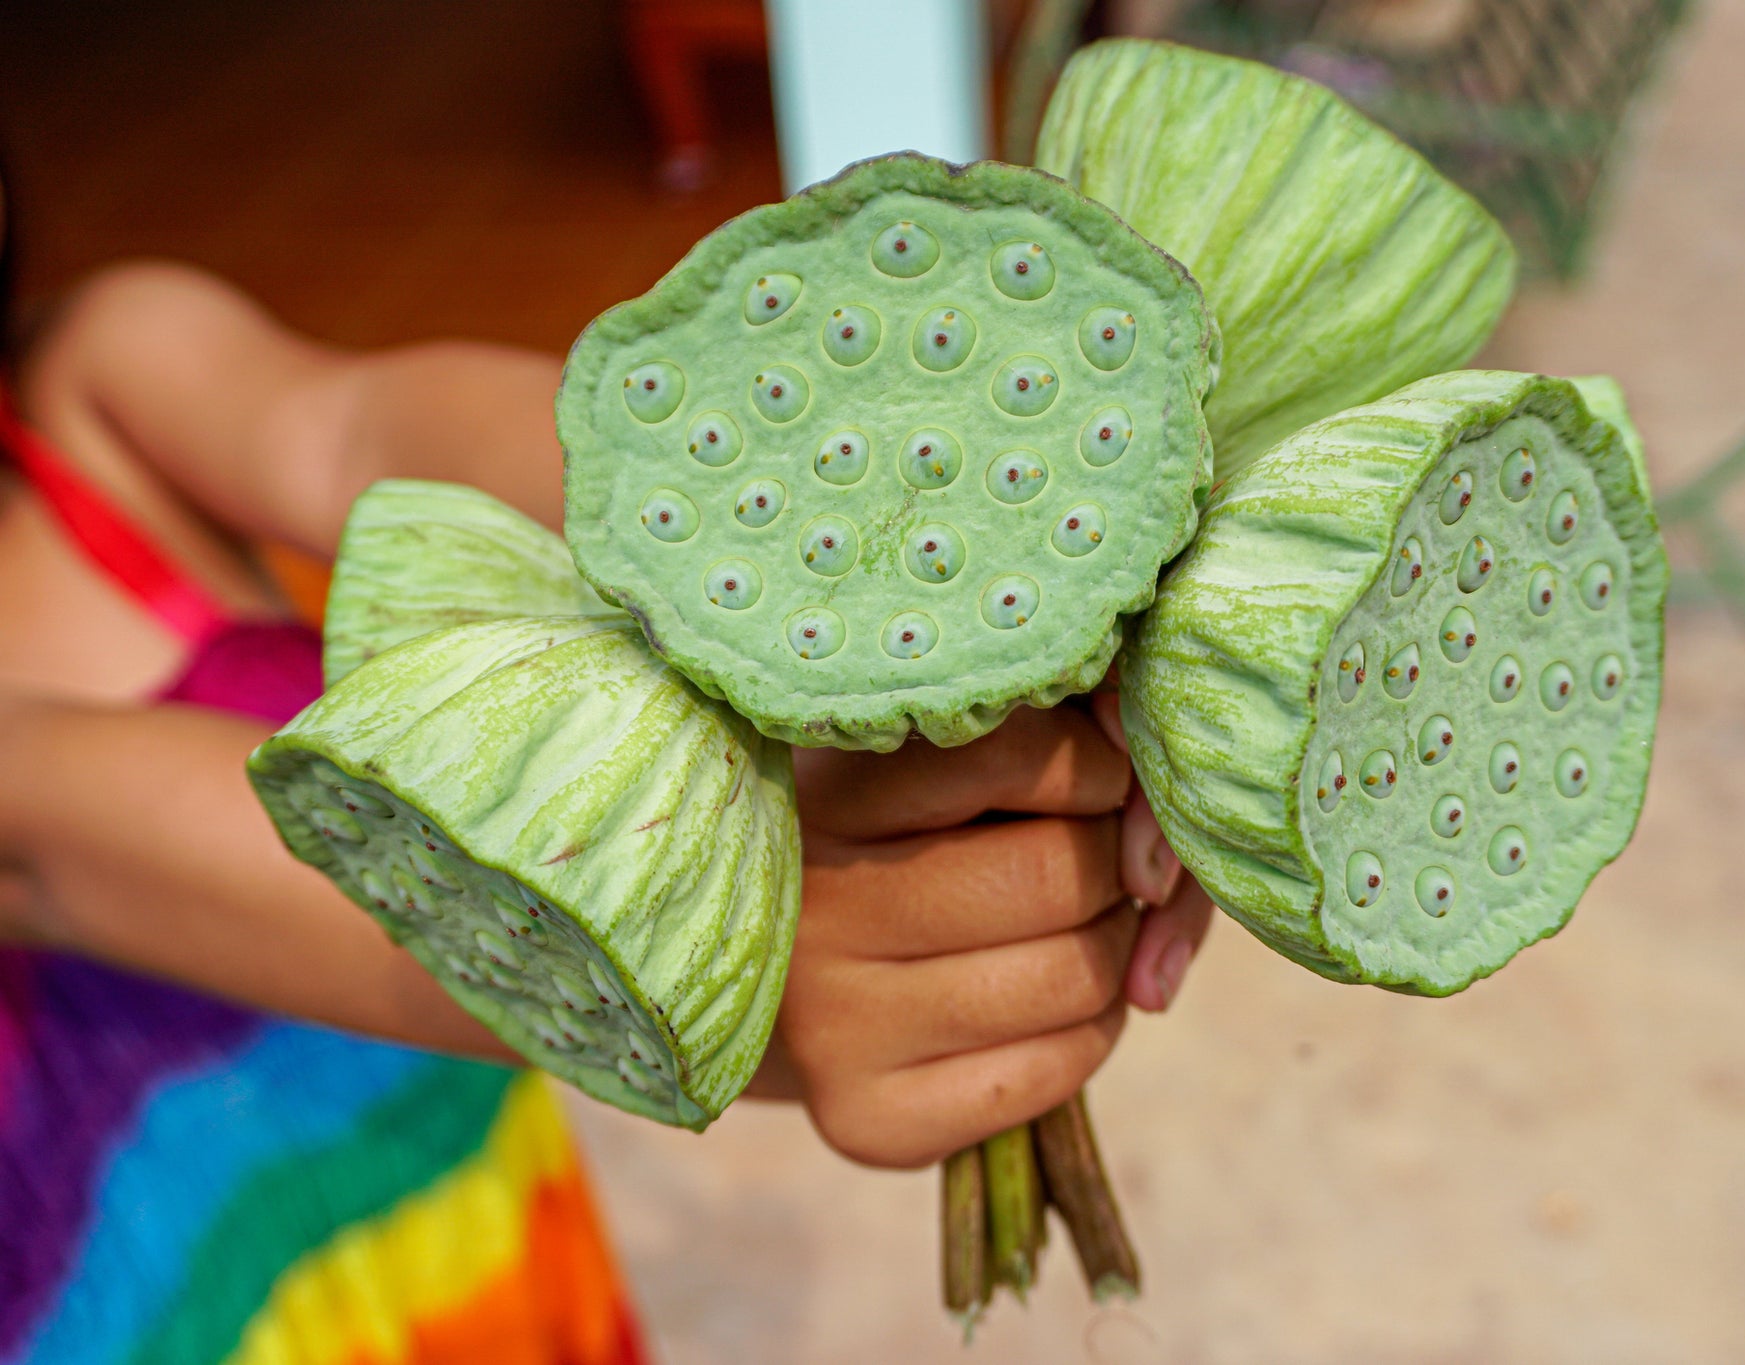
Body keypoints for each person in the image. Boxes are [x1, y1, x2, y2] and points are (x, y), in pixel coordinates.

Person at [0, 235, 1212, 1359]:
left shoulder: (97, 379)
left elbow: (361, 435)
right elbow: (55, 840)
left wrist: (765, 524)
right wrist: (720, 947)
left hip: (440, 1163)